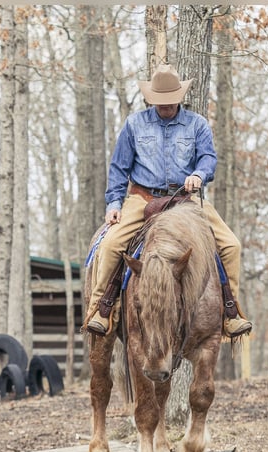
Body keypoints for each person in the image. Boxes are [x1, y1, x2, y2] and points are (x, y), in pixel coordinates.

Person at [84, 63, 252, 339]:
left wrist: (199, 174)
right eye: (160, 102)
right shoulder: (135, 124)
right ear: (151, 99)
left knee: (231, 246)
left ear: (179, 98)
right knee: (113, 244)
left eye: (170, 101)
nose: (165, 106)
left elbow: (208, 158)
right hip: (143, 197)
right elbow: (119, 168)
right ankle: (101, 309)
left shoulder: (196, 124)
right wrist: (114, 204)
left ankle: (228, 313)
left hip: (184, 199)